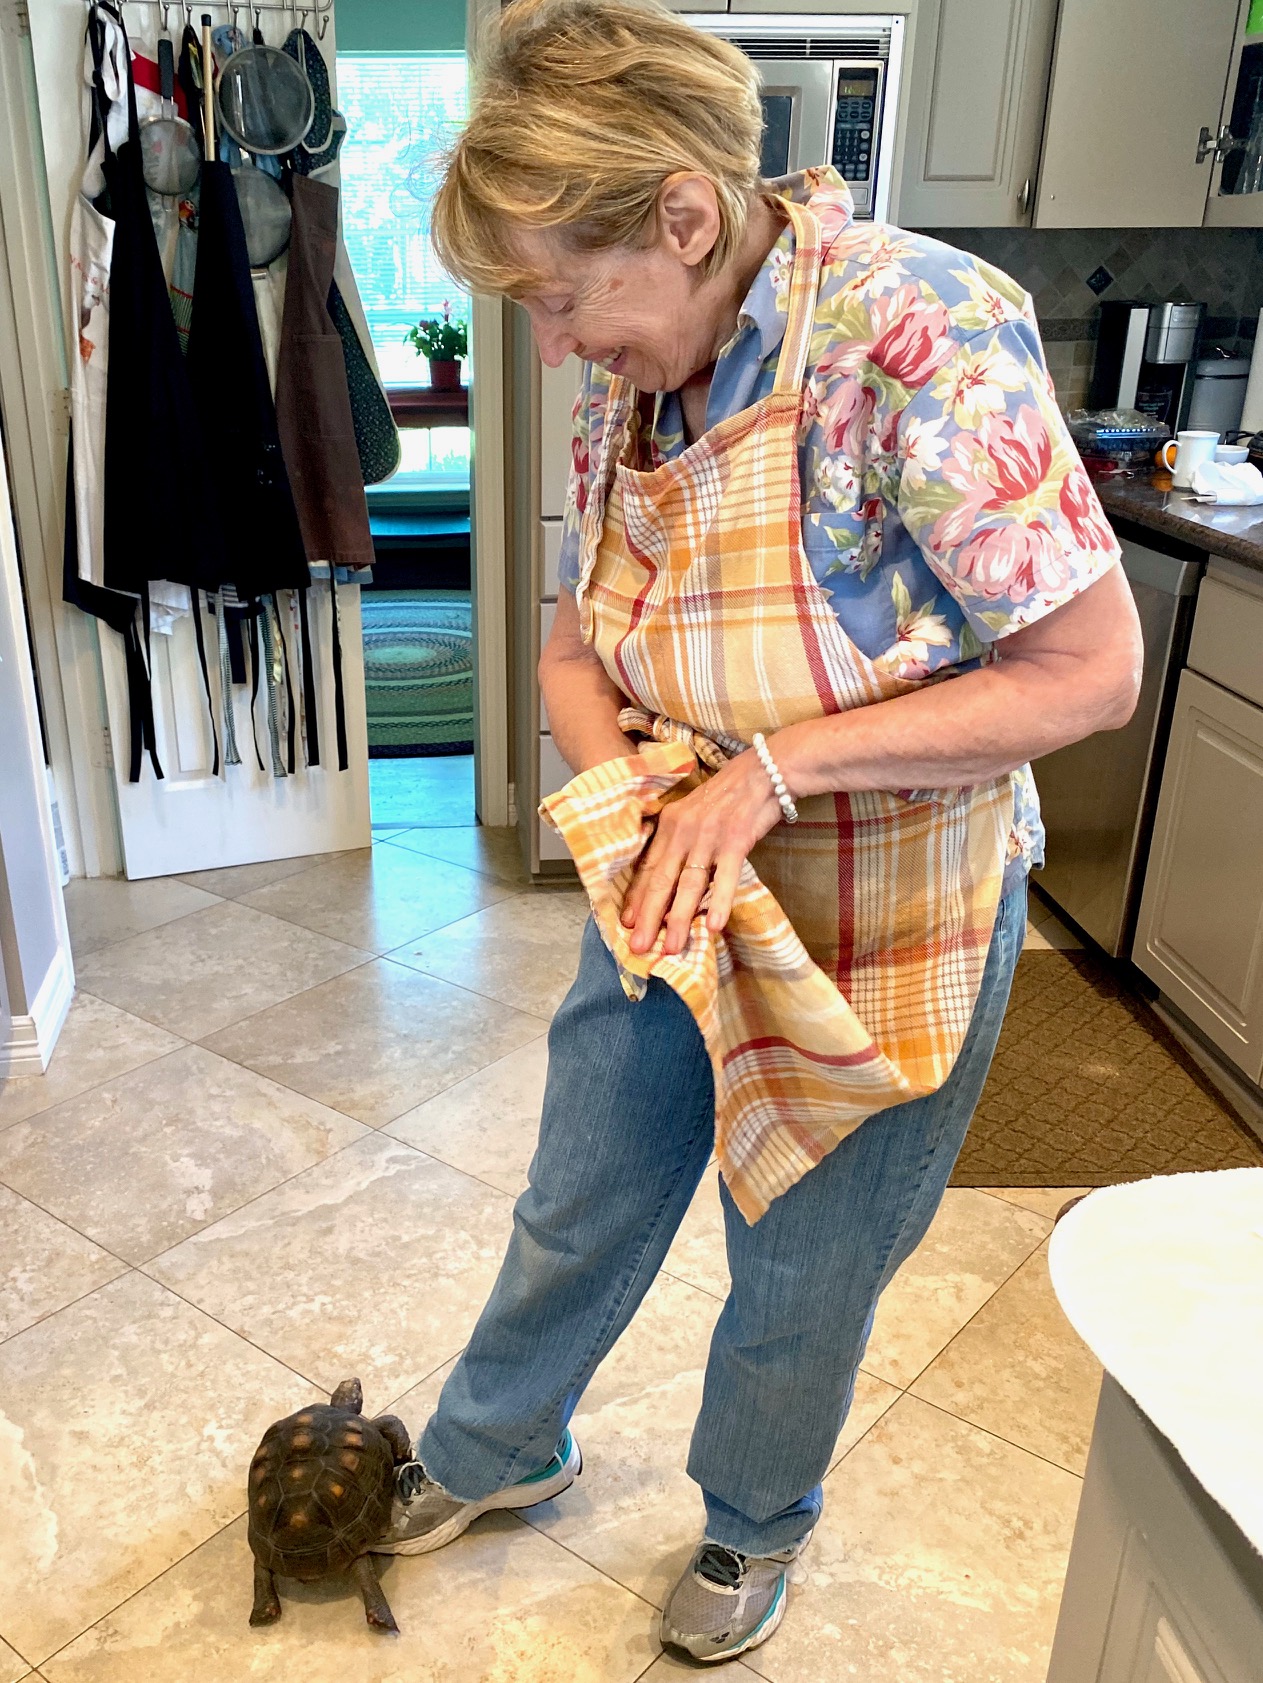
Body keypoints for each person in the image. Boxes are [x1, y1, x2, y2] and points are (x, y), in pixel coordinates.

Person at [374, 0, 1143, 1662]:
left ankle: (752, 1523)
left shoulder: (922, 331)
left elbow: (1088, 672)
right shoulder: (636, 377)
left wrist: (773, 775)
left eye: (565, 298)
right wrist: (652, 816)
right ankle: (499, 1448)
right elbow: (576, 648)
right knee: (582, 1188)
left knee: (802, 1268)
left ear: (684, 216)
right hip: (682, 870)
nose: (559, 345)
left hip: (892, 909)